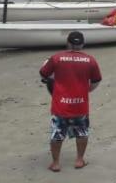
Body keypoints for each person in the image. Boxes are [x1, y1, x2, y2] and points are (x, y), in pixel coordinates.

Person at [39, 31, 101, 172]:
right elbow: (96, 80)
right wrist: (88, 90)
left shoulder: (56, 58)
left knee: (57, 134)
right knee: (82, 132)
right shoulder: (90, 60)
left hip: (61, 105)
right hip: (80, 104)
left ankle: (55, 163)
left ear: (68, 43)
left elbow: (43, 73)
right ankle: (79, 160)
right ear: (82, 44)